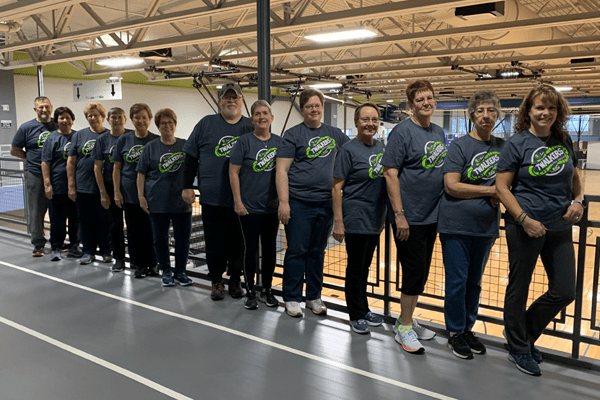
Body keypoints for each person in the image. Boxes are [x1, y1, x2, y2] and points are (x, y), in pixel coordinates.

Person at [496, 84, 582, 376]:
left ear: (558, 112)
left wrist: (579, 200)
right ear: (528, 111)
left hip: (559, 226)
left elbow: (574, 174)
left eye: (551, 108)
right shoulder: (516, 144)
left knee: (565, 290)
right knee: (518, 288)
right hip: (525, 227)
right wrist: (523, 219)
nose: (545, 113)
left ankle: (522, 336)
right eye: (539, 107)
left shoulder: (563, 139)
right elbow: (501, 187)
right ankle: (520, 348)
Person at [437, 90, 504, 359]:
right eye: (480, 111)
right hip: (456, 225)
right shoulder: (460, 146)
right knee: (457, 281)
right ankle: (454, 332)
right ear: (472, 115)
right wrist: (489, 192)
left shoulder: (503, 147)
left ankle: (467, 328)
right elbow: (451, 186)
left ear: (497, 115)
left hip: (486, 227)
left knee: (474, 282)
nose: (486, 115)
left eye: (491, 111)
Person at [382, 80, 445, 353]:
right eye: (420, 100)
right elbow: (390, 173)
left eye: (429, 98)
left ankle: (406, 319)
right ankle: (404, 328)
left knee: (421, 273)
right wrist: (400, 215)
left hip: (433, 216)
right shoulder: (402, 132)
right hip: (411, 217)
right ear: (411, 105)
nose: (426, 103)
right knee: (412, 272)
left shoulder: (439, 132)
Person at [276, 88, 350, 318]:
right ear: (302, 108)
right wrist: (284, 202)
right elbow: (281, 170)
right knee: (297, 251)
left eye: (317, 105)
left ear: (322, 107)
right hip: (299, 203)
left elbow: (351, 155)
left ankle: (313, 297)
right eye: (309, 106)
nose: (314, 110)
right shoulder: (293, 135)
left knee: (317, 252)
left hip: (326, 204)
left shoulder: (334, 133)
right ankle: (292, 297)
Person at [182, 83, 253, 300]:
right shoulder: (206, 124)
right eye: (226, 97)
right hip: (212, 198)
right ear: (219, 100)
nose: (231, 101)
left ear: (242, 100)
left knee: (239, 244)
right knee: (214, 243)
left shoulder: (251, 127)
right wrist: (186, 186)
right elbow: (191, 156)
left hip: (242, 199)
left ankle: (235, 280)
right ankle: (216, 281)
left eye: (235, 97)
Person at [332, 102, 386, 333]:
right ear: (356, 122)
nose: (370, 124)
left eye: (374, 120)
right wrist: (339, 222)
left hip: (375, 218)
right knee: (356, 267)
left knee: (365, 267)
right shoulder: (348, 150)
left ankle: (363, 308)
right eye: (365, 120)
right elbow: (336, 188)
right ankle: (355, 313)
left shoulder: (382, 147)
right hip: (356, 216)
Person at [229, 100, 282, 310]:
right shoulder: (243, 142)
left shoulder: (280, 142)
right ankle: (250, 290)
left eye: (265, 113)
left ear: (271, 117)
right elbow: (233, 172)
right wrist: (238, 201)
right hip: (249, 208)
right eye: (257, 114)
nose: (262, 117)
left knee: (269, 251)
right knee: (249, 250)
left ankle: (267, 289)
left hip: (271, 208)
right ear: (252, 119)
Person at [137, 109, 193, 287]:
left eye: (170, 123)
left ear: (175, 125)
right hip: (157, 201)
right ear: (158, 126)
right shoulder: (150, 147)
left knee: (182, 239)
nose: (167, 126)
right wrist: (141, 196)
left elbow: (194, 169)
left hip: (181, 203)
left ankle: (181, 272)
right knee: (159, 239)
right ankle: (166, 271)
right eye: (163, 123)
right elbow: (140, 174)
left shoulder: (185, 146)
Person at [113, 103, 159, 279]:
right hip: (130, 195)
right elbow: (116, 168)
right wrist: (117, 192)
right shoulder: (124, 140)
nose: (141, 121)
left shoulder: (156, 140)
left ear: (150, 119)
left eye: (144, 117)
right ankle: (139, 265)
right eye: (137, 117)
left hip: (152, 195)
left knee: (152, 231)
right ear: (131, 120)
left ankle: (153, 264)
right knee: (134, 231)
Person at [11, 96, 57, 257]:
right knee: (36, 210)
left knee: (58, 209)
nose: (44, 110)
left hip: (57, 174)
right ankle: (38, 244)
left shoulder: (57, 125)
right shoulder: (27, 127)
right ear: (35, 110)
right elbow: (14, 149)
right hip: (34, 174)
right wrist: (30, 159)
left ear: (51, 107)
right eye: (40, 107)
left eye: (46, 107)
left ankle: (58, 242)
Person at [67, 103, 112, 265]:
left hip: (106, 188)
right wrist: (71, 186)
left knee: (105, 221)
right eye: (89, 116)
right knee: (85, 221)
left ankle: (106, 251)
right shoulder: (79, 136)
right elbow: (71, 162)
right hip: (84, 186)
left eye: (95, 115)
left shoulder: (110, 136)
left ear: (103, 117)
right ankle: (88, 251)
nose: (92, 118)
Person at [41, 107, 81, 261]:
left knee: (75, 218)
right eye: (61, 118)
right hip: (58, 185)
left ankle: (75, 245)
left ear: (72, 119)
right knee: (57, 218)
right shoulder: (52, 139)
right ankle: (56, 246)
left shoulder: (78, 136)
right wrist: (47, 184)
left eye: (68, 117)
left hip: (76, 186)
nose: (65, 121)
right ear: (56, 120)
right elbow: (45, 163)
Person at [93, 107, 130, 272]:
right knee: (115, 225)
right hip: (110, 185)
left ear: (125, 119)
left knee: (135, 225)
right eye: (113, 117)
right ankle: (119, 259)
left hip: (131, 186)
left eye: (119, 117)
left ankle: (137, 260)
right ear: (108, 120)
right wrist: (103, 192)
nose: (116, 120)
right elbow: (97, 168)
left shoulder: (131, 136)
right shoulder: (102, 140)